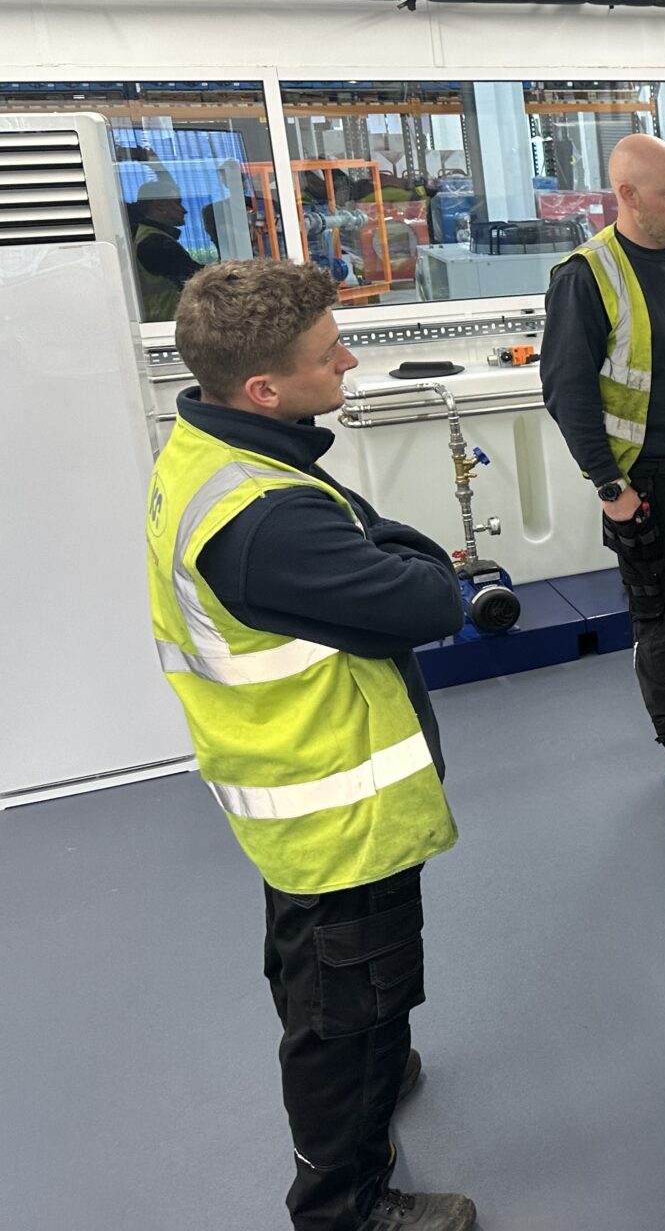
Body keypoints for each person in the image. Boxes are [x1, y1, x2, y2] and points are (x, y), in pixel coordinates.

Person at [143, 261, 476, 1231]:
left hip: (285, 782)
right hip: (337, 808)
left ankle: (377, 1065)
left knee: (318, 972)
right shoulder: (269, 520)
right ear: (263, 387)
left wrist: (374, 541)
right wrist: (402, 551)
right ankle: (346, 1204)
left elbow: (370, 547)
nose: (347, 360)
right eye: (329, 352)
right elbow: (429, 597)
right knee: (347, 1008)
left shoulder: (215, 449)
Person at [542, 133, 665, 805]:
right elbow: (567, 392)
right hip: (647, 481)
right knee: (664, 623)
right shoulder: (586, 276)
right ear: (627, 196)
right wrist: (612, 490)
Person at [131, 175, 205, 320]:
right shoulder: (156, 243)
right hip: (166, 321)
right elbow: (199, 277)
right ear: (160, 206)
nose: (184, 210)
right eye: (178, 203)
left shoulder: (146, 235)